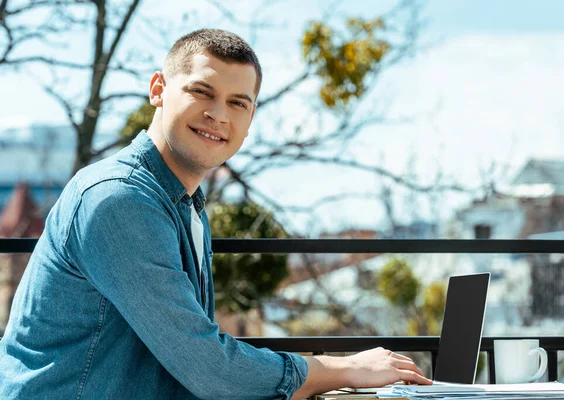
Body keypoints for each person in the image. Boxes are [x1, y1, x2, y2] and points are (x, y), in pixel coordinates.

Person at [0, 29, 432, 399]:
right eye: (201, 92)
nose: (218, 115)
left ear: (251, 117)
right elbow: (206, 366)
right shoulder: (118, 200)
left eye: (238, 102)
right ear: (158, 90)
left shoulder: (184, 203)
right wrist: (339, 369)